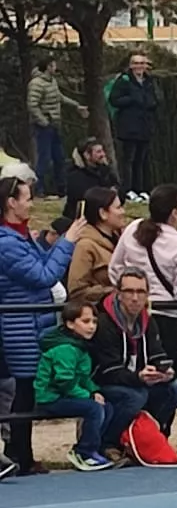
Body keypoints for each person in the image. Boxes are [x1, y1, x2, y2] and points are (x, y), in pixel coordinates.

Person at [1, 176, 87, 478]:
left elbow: (43, 269)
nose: (31, 203)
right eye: (26, 198)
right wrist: (68, 241)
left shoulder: (20, 238)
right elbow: (44, 276)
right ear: (11, 203)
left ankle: (21, 454)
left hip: (31, 324)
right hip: (19, 326)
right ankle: (19, 455)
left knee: (26, 393)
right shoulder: (7, 243)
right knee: (23, 393)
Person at [89, 269, 177, 457]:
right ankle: (109, 442)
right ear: (118, 293)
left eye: (140, 292)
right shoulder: (104, 323)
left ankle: (146, 435)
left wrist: (164, 370)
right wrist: (139, 378)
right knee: (135, 396)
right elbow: (109, 370)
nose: (135, 298)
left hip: (136, 380)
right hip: (103, 383)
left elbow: (157, 353)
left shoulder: (147, 320)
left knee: (176, 388)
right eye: (129, 292)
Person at [110, 184, 177, 351]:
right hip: (166, 317)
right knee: (160, 370)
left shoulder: (133, 228)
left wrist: (128, 292)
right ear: (175, 212)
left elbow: (115, 268)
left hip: (130, 312)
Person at [34, 298, 117, 470]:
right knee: (93, 408)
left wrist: (94, 391)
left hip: (65, 394)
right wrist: (87, 396)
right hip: (51, 397)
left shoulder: (80, 346)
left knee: (106, 406)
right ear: (70, 324)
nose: (92, 326)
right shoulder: (66, 348)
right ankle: (83, 452)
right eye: (85, 321)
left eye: (94, 321)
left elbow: (82, 377)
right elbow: (64, 381)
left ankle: (95, 447)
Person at [29, 59, 83, 201]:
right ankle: (38, 189)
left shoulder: (51, 81)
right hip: (45, 126)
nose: (56, 68)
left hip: (55, 124)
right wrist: (43, 121)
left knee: (59, 158)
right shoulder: (36, 84)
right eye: (53, 65)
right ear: (48, 67)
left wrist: (76, 106)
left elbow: (59, 97)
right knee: (44, 158)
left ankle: (62, 190)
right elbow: (32, 105)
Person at [107, 53, 160, 195]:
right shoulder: (124, 80)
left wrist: (149, 103)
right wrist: (132, 100)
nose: (139, 66)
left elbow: (156, 99)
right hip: (128, 126)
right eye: (136, 63)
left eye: (142, 63)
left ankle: (140, 189)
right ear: (131, 65)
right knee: (128, 160)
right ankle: (127, 189)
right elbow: (114, 100)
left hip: (145, 126)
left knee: (141, 160)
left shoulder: (149, 81)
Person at [68, 187, 127, 300]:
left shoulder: (123, 239)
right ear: (103, 213)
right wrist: (111, 292)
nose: (123, 212)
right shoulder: (85, 246)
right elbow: (77, 291)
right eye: (118, 208)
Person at [62, 140, 119, 221]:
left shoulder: (106, 171)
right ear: (87, 155)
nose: (103, 154)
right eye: (98, 152)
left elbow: (119, 190)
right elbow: (82, 198)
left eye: (103, 151)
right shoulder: (75, 175)